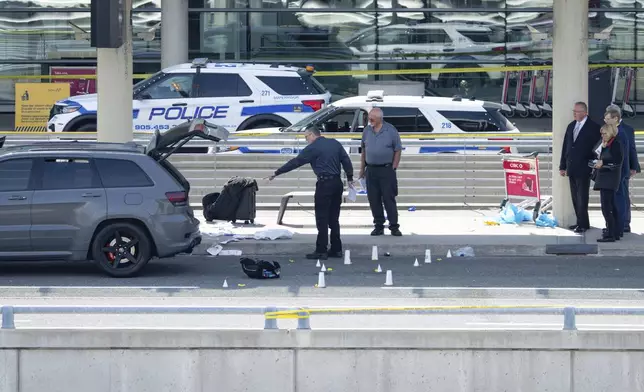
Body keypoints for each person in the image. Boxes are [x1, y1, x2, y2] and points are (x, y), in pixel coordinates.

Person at [268, 127, 354, 260]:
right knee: (334, 217)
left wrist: (276, 172)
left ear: (312, 135)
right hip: (337, 184)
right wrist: (349, 178)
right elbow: (346, 160)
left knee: (322, 218)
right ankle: (337, 249)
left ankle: (321, 250)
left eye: (306, 137)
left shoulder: (313, 147)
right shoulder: (335, 143)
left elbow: (296, 162)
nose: (306, 140)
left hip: (324, 184)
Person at [359, 107, 403, 237]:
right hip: (371, 169)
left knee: (389, 199)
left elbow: (398, 149)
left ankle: (394, 226)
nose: (369, 120)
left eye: (372, 118)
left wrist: (394, 167)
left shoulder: (391, 130)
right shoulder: (366, 131)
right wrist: (362, 169)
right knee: (373, 199)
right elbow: (364, 150)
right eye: (369, 118)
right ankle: (378, 226)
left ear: (379, 119)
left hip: (386, 169)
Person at [559, 101, 601, 233]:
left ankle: (583, 224)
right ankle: (580, 221)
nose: (574, 114)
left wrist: (593, 162)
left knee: (582, 197)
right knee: (575, 197)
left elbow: (597, 148)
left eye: (577, 112)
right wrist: (563, 165)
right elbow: (566, 146)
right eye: (574, 111)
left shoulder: (593, 127)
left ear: (584, 112)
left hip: (584, 167)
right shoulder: (571, 126)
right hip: (572, 167)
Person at [604, 105, 639, 236]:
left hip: (623, 169)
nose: (606, 119)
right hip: (611, 170)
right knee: (613, 198)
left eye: (608, 117)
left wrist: (633, 166)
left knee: (622, 197)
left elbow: (632, 149)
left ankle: (624, 223)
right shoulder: (606, 129)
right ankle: (614, 224)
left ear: (616, 117)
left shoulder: (627, 130)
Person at [593, 123, 624, 242]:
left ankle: (611, 233)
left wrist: (603, 164)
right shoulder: (606, 144)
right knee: (609, 206)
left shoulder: (615, 144)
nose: (602, 135)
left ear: (610, 132)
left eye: (604, 133)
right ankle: (613, 231)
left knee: (608, 207)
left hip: (610, 179)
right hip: (605, 178)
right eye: (601, 133)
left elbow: (617, 162)